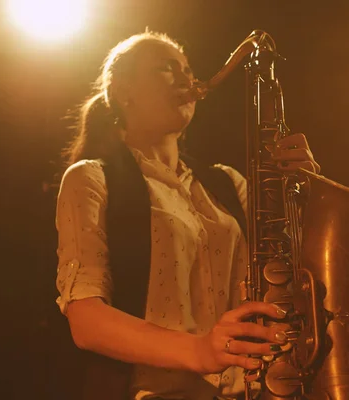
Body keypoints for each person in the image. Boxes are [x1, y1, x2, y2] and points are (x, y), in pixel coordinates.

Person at [55, 31, 320, 400]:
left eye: (188, 70)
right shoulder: (91, 177)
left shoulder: (229, 182)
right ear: (121, 91)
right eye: (166, 68)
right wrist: (199, 351)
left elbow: (293, 272)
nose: (187, 80)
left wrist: (304, 192)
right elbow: (87, 322)